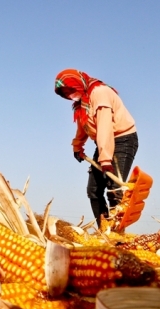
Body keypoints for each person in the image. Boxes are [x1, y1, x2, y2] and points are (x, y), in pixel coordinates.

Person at [54, 69, 138, 225]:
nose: (70, 95)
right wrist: (77, 146)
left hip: (122, 139)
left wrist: (105, 158)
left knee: (114, 189)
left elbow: (104, 125)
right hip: (102, 143)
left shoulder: (100, 93)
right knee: (93, 190)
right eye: (66, 94)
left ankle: (117, 231)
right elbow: (83, 127)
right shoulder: (82, 103)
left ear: (78, 84)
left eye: (71, 90)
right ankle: (104, 229)